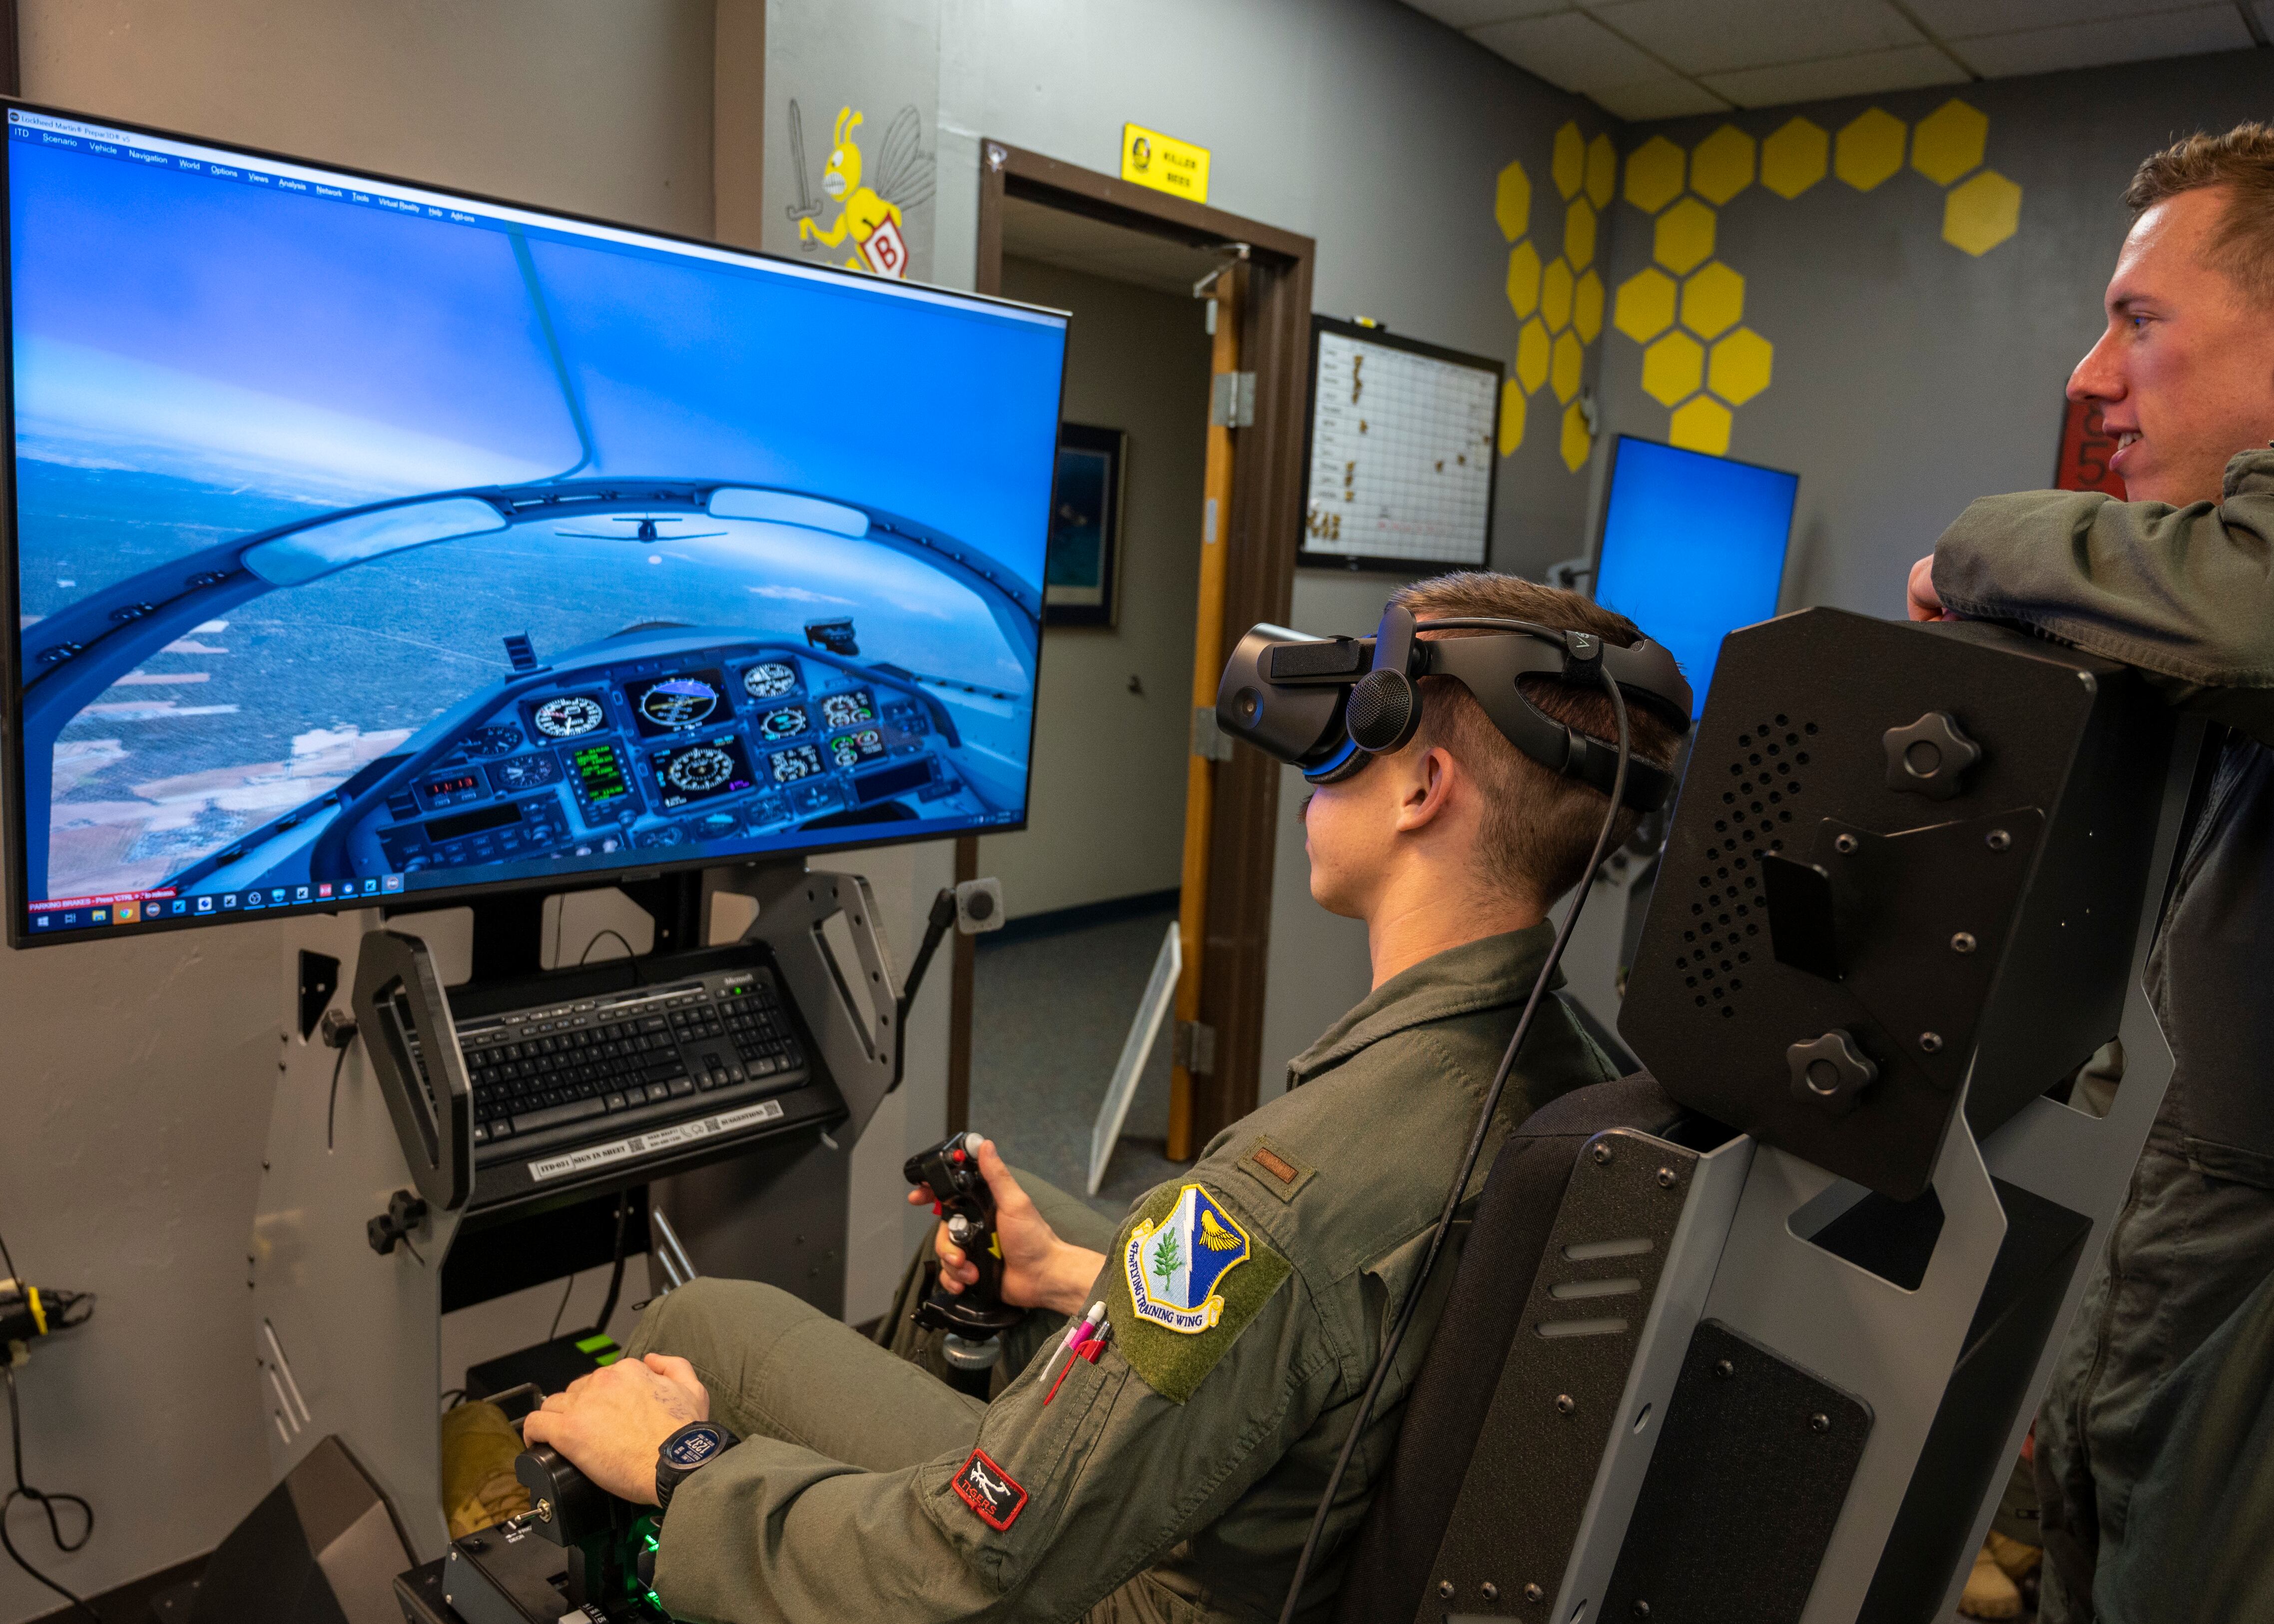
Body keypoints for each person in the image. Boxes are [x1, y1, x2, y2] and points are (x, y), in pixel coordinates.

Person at [521, 571, 1688, 1623]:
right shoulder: (1578, 1066)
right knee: (1014, 1239)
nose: (1312, 765)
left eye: (1349, 736)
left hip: (1146, 1596)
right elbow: (1333, 1320)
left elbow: (969, 1565)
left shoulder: (1282, 1192)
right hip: (1306, 1519)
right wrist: (1090, 1273)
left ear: (1423, 787)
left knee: (698, 1323)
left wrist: (683, 1463)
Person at [1909, 120, 2274, 1623]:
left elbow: (2259, 620)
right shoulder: (2234, 612)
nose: (2091, 376)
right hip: (2182, 1289)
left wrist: (1977, 546)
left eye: (2137, 319)